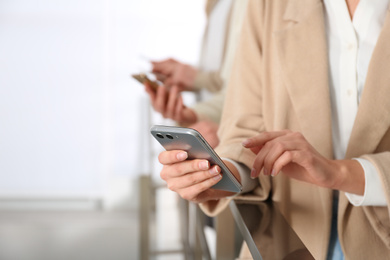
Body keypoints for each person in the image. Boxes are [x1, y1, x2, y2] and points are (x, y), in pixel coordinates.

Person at [155, 0, 390, 259]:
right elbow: (246, 121)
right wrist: (222, 175)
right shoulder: (269, 5)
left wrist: (339, 173)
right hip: (289, 235)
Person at [144, 0, 249, 148]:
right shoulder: (213, 5)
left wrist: (196, 78)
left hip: (233, 135)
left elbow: (241, 85)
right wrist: (189, 114)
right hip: (214, 124)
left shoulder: (249, 5)